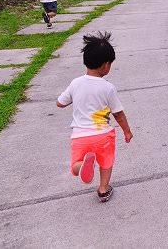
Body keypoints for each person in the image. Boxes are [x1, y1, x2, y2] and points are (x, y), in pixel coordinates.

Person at [56, 32, 133, 202]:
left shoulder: (76, 83)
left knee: (75, 164)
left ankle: (82, 166)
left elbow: (60, 103)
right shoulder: (108, 87)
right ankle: (103, 190)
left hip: (80, 136)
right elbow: (118, 114)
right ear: (106, 65)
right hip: (103, 135)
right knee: (106, 162)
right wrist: (127, 131)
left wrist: (73, 99)